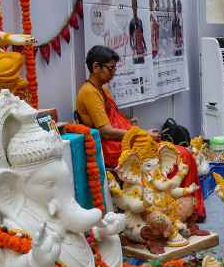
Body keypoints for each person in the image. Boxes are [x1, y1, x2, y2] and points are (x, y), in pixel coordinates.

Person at [75, 46, 205, 218]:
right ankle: (171, 212)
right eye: (110, 68)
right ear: (95, 67)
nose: (114, 73)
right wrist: (141, 135)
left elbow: (116, 121)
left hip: (123, 141)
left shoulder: (102, 89)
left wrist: (139, 131)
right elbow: (106, 131)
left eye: (115, 68)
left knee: (182, 153)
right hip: (112, 149)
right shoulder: (89, 92)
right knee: (180, 154)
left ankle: (185, 210)